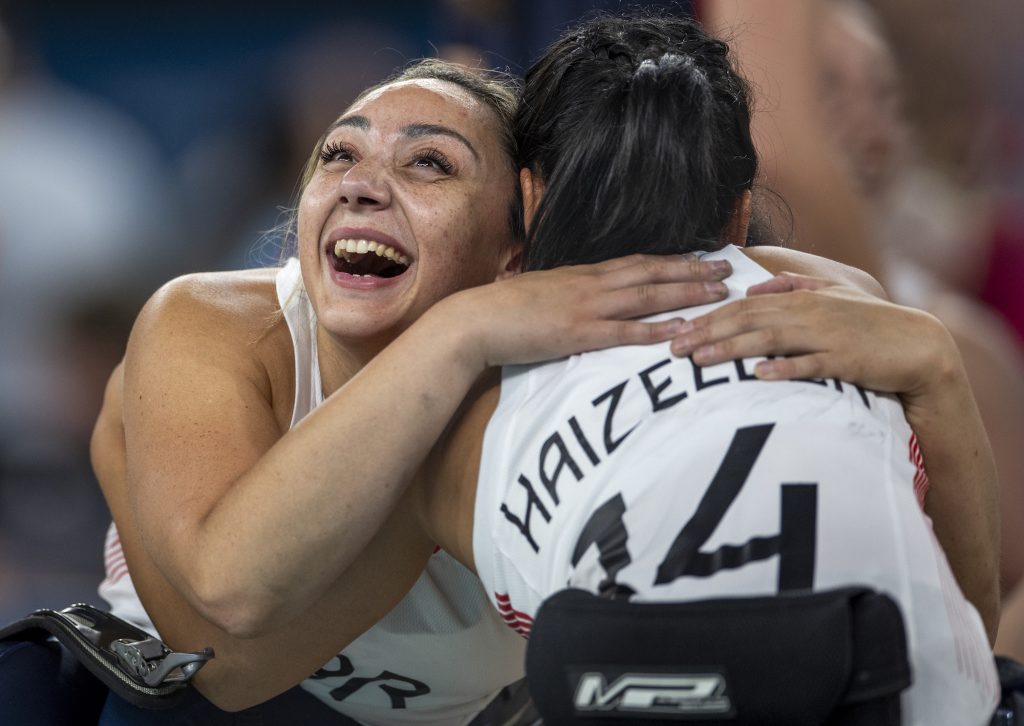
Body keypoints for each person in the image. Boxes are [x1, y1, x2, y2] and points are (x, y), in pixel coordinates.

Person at [90, 17, 997, 726]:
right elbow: (230, 665)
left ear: (517, 237)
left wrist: (931, 362)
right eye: (340, 153)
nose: (365, 184)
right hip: (161, 711)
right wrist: (461, 332)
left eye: (429, 166)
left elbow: (966, 628)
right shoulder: (212, 324)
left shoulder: (564, 359)